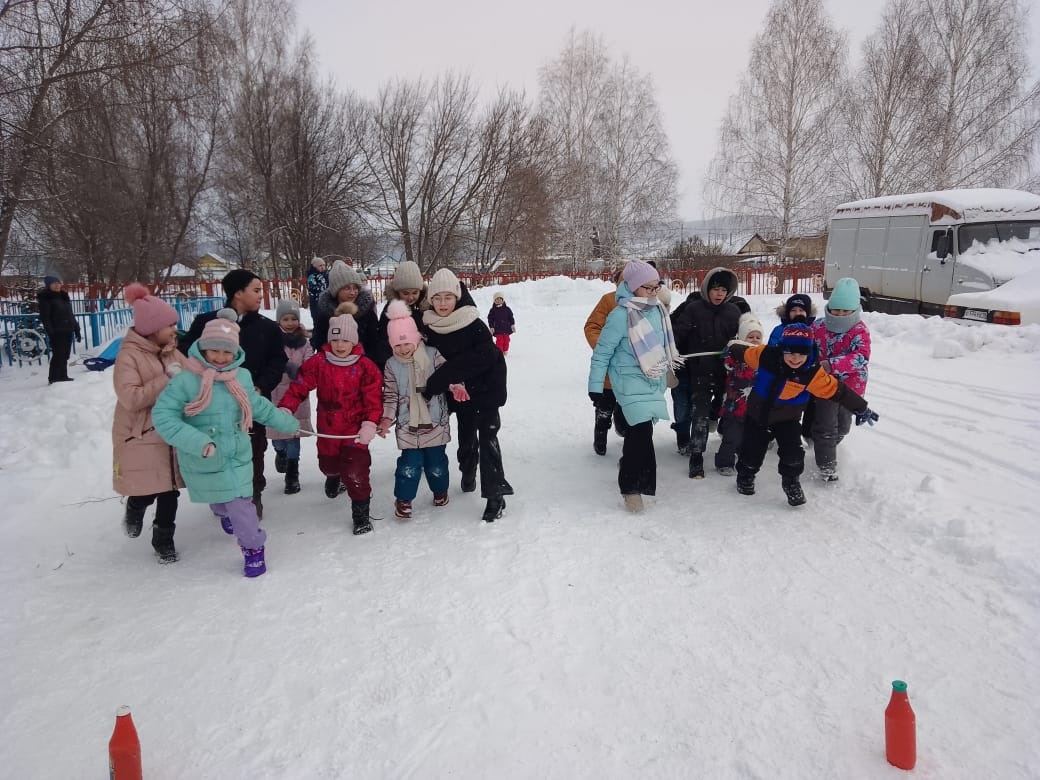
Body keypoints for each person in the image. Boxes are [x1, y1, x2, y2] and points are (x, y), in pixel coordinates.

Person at [153, 310, 299, 577]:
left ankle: (253, 549)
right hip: (206, 457)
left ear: (236, 353)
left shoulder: (240, 378)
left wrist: (287, 423)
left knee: (242, 504)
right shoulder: (187, 381)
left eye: (227, 352)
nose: (220, 358)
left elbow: (258, 407)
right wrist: (197, 442)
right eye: (214, 351)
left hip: (238, 455)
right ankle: (224, 513)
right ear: (202, 349)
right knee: (222, 503)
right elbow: (163, 416)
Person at [727, 323, 879, 506]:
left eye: (802, 353)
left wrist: (861, 407)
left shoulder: (812, 373)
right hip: (758, 415)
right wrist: (730, 348)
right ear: (782, 349)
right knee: (752, 451)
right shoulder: (765, 355)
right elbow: (743, 352)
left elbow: (838, 391)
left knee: (793, 453)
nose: (796, 358)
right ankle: (746, 475)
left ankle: (791, 483)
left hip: (787, 419)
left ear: (809, 352)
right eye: (790, 352)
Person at [180, 269, 286, 519]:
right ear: (238, 293)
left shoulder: (267, 328)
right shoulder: (207, 323)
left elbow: (277, 361)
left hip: (251, 404)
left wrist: (260, 386)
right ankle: (221, 496)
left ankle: (252, 496)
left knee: (252, 450)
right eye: (256, 290)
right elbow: (189, 353)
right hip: (212, 405)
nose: (261, 295)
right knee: (218, 450)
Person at [279, 303, 383, 535]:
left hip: (354, 430)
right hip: (328, 427)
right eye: (335, 340)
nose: (339, 345)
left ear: (354, 341)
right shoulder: (319, 362)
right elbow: (299, 387)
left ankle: (361, 515)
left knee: (356, 471)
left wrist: (370, 422)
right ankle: (333, 476)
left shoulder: (366, 367)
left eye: (345, 341)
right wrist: (286, 407)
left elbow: (374, 398)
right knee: (328, 464)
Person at [420, 268, 513, 523]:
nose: (442, 303)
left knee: (488, 437)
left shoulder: (472, 322)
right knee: (466, 437)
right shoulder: (428, 324)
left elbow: (485, 357)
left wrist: (440, 379)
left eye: (448, 297)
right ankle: (468, 469)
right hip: (458, 393)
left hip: (486, 387)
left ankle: (495, 495)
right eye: (437, 298)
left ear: (457, 297)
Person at [588, 260, 681, 513]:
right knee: (640, 433)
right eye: (648, 288)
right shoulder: (620, 315)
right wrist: (596, 386)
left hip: (653, 380)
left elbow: (661, 346)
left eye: (656, 286)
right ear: (632, 287)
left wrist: (668, 369)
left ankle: (635, 478)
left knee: (641, 433)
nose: (653, 292)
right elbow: (603, 352)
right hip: (627, 380)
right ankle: (631, 489)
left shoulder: (659, 310)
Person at [111, 283, 189, 563]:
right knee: (150, 488)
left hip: (170, 430)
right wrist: (166, 379)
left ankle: (163, 538)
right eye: (170, 325)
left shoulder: (170, 351)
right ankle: (136, 505)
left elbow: (193, 375)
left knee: (170, 489)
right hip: (141, 433)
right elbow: (131, 398)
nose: (174, 330)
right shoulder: (128, 356)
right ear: (152, 328)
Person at [377, 299, 451, 519]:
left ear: (415, 338)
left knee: (436, 462)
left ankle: (440, 490)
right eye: (397, 345)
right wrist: (386, 419)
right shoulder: (391, 364)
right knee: (409, 465)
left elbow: (449, 375)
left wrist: (457, 386)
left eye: (406, 342)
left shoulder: (432, 354)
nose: (403, 348)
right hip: (408, 424)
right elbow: (390, 395)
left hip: (435, 419)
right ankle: (404, 499)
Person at [671, 267, 742, 478]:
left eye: (723, 290)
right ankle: (696, 456)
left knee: (718, 410)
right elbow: (678, 334)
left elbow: (740, 338)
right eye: (715, 289)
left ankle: (715, 420)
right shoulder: (694, 310)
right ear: (706, 289)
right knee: (699, 414)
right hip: (699, 370)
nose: (719, 294)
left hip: (725, 372)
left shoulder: (733, 312)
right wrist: (671, 351)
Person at [811, 277, 871, 482]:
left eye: (846, 311)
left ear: (854, 310)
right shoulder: (818, 327)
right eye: (836, 310)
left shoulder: (859, 330)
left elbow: (862, 356)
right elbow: (808, 349)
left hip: (851, 388)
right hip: (825, 386)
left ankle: (824, 445)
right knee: (827, 426)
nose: (840, 314)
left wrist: (832, 365)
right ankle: (827, 465)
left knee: (843, 426)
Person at [269, 299, 314, 495]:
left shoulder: (304, 343)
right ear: (279, 321)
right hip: (275, 393)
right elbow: (267, 361)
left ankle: (292, 475)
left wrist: (299, 371)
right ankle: (280, 452)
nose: (290, 323)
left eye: (293, 318)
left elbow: (310, 365)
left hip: (297, 394)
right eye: (286, 319)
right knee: (278, 436)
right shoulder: (271, 340)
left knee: (293, 436)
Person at [584, 270, 629, 456]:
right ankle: (600, 438)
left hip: (631, 370)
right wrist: (603, 347)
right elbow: (592, 326)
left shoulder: (644, 303)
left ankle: (625, 430)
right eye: (623, 282)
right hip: (609, 371)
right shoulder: (609, 300)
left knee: (628, 407)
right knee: (604, 408)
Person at [715, 313, 764, 476]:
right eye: (751, 336)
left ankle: (742, 458)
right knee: (731, 437)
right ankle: (724, 462)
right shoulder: (735, 353)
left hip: (754, 406)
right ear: (743, 337)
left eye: (758, 337)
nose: (755, 340)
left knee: (747, 437)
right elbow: (727, 363)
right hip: (734, 405)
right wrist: (736, 348)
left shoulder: (762, 355)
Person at [311, 260, 379, 357]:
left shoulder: (366, 310)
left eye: (355, 288)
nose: (352, 292)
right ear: (336, 290)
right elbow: (320, 342)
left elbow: (374, 341)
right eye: (347, 288)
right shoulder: (325, 313)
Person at [372, 260, 426, 371]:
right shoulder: (391, 310)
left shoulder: (424, 307)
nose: (411, 297)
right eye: (405, 293)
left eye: (415, 292)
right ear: (397, 292)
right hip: (397, 363)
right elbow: (383, 340)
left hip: (421, 364)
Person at [36, 274, 81, 384]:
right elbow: (45, 317)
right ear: (48, 285)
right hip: (57, 331)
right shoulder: (46, 298)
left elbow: (70, 314)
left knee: (65, 354)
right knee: (58, 355)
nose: (57, 285)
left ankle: (63, 376)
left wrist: (76, 329)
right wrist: (50, 332)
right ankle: (53, 378)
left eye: (58, 283)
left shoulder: (63, 296)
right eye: (54, 283)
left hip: (67, 329)